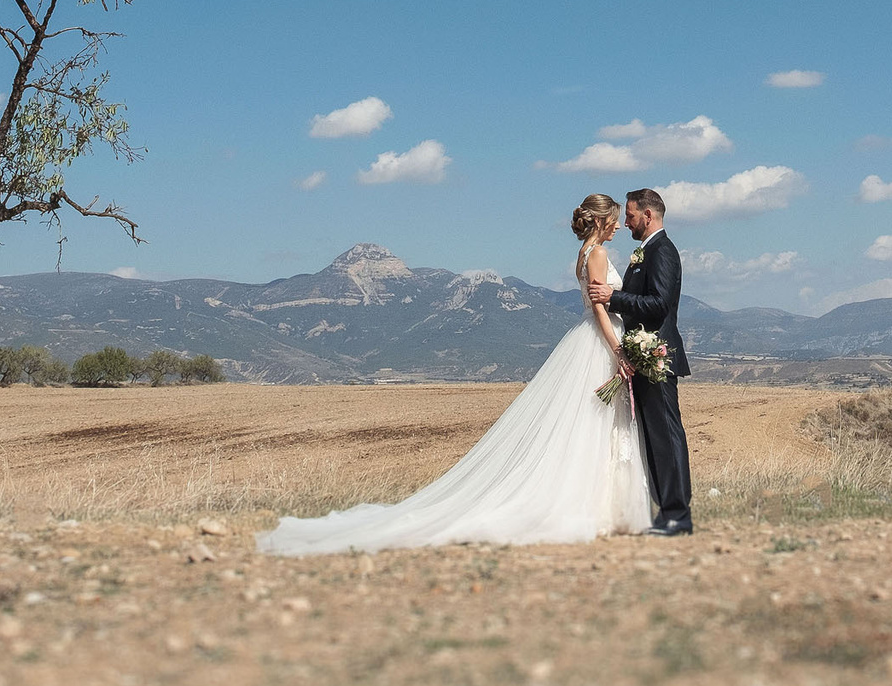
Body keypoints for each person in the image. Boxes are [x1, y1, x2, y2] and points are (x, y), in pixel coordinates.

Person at [254, 194, 653, 555]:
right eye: (615, 219)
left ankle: (595, 505)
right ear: (602, 221)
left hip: (584, 340)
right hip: (601, 341)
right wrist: (618, 350)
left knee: (582, 423)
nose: (619, 225)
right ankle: (593, 507)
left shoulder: (582, 254)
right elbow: (601, 307)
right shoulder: (597, 254)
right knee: (596, 424)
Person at [587, 188, 693, 535]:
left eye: (631, 216)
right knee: (653, 439)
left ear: (648, 216)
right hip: (644, 358)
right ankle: (665, 513)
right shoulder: (645, 252)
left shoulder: (662, 251)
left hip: (658, 358)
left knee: (666, 434)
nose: (627, 222)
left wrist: (614, 297)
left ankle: (677, 514)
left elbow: (660, 304)